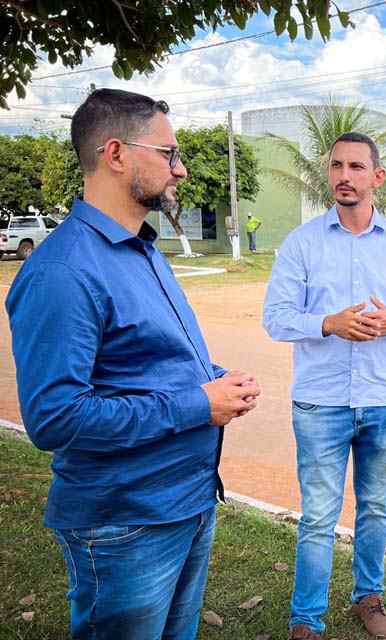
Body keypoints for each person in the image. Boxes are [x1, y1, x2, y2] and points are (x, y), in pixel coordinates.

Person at [5, 88, 261, 640]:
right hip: (125, 524)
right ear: (116, 154)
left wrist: (213, 380)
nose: (182, 169)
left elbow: (145, 362)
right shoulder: (64, 272)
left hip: (186, 503)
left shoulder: (142, 250)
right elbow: (54, 419)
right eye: (168, 153)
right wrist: (198, 403)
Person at [262, 131, 386, 640]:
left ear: (377, 177)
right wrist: (327, 324)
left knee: (375, 507)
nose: (344, 175)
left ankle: (369, 598)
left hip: (383, 400)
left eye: (357, 167)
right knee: (318, 516)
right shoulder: (302, 244)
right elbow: (275, 317)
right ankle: (306, 619)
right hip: (321, 402)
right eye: (337, 165)